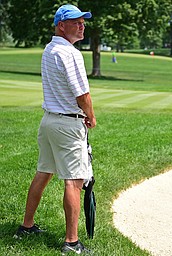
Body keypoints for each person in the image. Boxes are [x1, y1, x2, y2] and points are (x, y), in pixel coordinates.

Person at [15, 4, 96, 254]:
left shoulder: (49, 49)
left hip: (49, 122)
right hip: (68, 125)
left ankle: (26, 226)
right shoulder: (70, 53)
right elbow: (82, 93)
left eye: (83, 21)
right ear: (61, 25)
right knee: (74, 181)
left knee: (44, 172)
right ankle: (71, 242)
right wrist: (91, 116)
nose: (82, 25)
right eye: (75, 22)